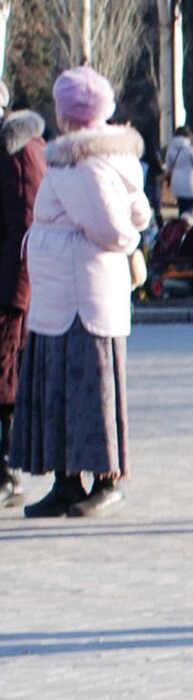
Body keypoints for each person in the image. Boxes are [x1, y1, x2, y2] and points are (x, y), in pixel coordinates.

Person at [14, 66, 150, 519]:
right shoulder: (88, 157)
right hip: (68, 294)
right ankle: (67, 482)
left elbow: (113, 227)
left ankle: (104, 481)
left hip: (79, 297)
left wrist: (127, 239)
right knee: (65, 389)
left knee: (87, 389)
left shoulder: (82, 162)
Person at [0, 79, 47, 505]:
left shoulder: (18, 152)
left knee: (6, 379)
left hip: (9, 289)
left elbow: (28, 225)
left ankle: (9, 470)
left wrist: (17, 294)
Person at [164, 124, 193, 216]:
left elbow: (168, 166)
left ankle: (181, 222)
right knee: (189, 206)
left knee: (181, 206)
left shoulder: (171, 148)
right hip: (190, 181)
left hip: (176, 181)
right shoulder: (191, 148)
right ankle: (185, 221)